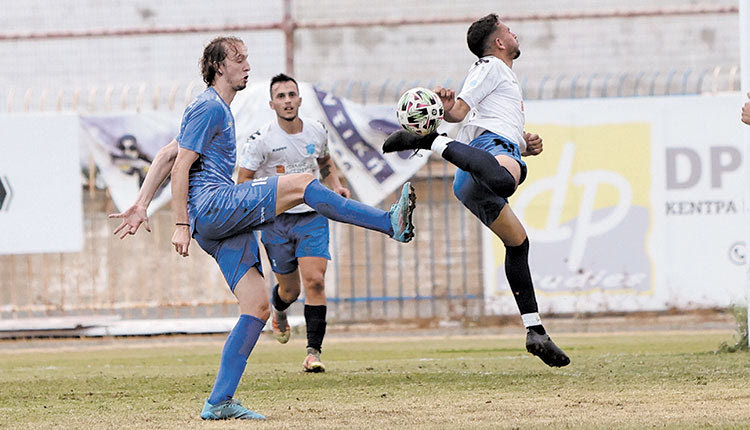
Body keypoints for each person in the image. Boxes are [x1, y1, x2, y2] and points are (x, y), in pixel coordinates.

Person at [109, 36, 417, 421]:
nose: (247, 65)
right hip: (212, 206)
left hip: (213, 224)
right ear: (220, 66)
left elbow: (166, 154)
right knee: (304, 184)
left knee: (255, 305)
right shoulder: (210, 107)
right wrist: (180, 223)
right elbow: (182, 166)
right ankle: (389, 222)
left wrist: (140, 204)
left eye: (246, 58)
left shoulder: (210, 107)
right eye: (239, 59)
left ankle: (219, 401)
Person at [382, 14, 570, 367]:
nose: (514, 34)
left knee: (518, 242)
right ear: (499, 42)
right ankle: (430, 142)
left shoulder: (499, 76)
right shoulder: (491, 66)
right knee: (504, 181)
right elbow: (464, 111)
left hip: (473, 171)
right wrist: (447, 116)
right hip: (488, 152)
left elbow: (462, 113)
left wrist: (522, 142)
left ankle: (535, 331)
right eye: (508, 30)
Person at [237, 73, 343, 373]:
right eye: (280, 96)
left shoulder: (316, 131)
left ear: (300, 99)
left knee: (316, 281)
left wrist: (334, 185)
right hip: (276, 222)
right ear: (272, 104)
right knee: (290, 291)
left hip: (312, 216)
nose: (287, 101)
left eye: (291, 95)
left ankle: (313, 352)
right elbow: (243, 180)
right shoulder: (261, 140)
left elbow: (324, 163)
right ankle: (280, 311)